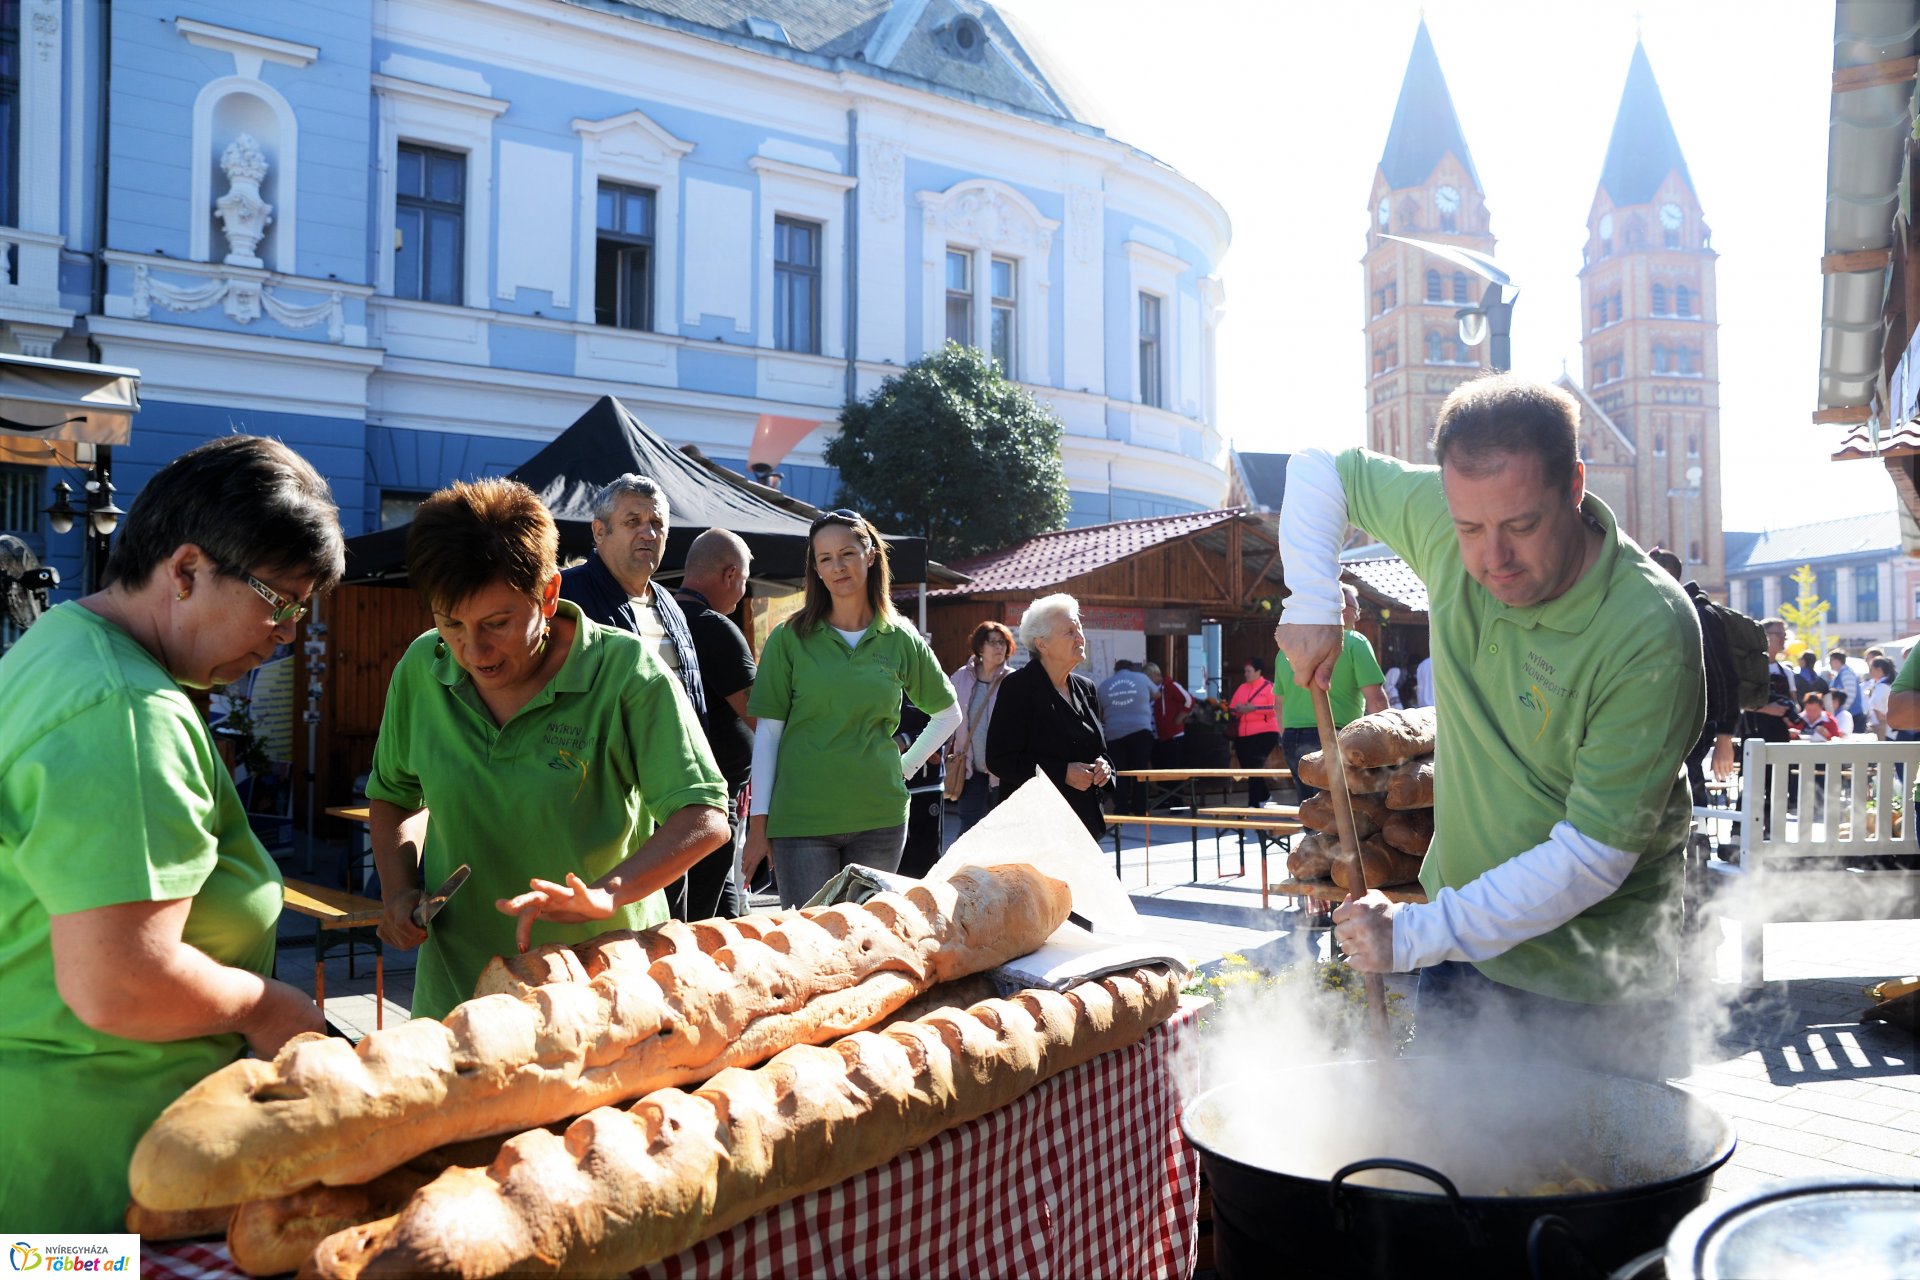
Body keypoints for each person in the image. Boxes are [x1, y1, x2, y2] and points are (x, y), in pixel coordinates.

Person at [1277, 374, 1703, 1075]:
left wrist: (1415, 935)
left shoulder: (1649, 631)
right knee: (1460, 1173)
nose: (1491, 559)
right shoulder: (1449, 522)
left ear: (1574, 487)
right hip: (1463, 955)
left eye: (1521, 525)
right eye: (1469, 528)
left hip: (1593, 987)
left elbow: (1593, 858)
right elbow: (1321, 467)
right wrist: (1312, 598)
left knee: (1588, 1178)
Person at [0, 436, 344, 1229]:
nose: (287, 632)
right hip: (85, 1199)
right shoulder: (127, 710)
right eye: (279, 601)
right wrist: (271, 1008)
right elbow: (119, 981)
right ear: (186, 571)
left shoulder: (67, 647)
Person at [367, 478, 731, 1021]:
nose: (473, 649)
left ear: (550, 594)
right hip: (458, 995)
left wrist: (608, 893)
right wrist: (398, 892)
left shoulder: (627, 673)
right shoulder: (423, 666)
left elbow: (704, 815)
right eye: (451, 624)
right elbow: (393, 794)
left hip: (601, 992)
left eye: (497, 623)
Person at [743, 510, 960, 907]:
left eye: (846, 553)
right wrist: (758, 827)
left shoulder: (900, 637)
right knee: (811, 947)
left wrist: (904, 767)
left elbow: (948, 713)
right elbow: (769, 735)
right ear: (816, 569)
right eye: (824, 558)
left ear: (871, 555)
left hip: (881, 819)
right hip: (800, 822)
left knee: (867, 945)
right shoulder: (789, 639)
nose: (837, 566)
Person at [558, 474, 711, 921]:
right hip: (597, 800)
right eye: (633, 521)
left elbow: (689, 701)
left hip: (670, 799)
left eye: (657, 524)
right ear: (599, 531)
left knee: (666, 929)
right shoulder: (565, 596)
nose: (648, 532)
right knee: (604, 933)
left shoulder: (668, 603)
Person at [672, 528, 758, 919]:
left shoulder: (662, 615)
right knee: (703, 920)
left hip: (678, 795)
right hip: (709, 800)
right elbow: (759, 714)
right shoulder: (716, 627)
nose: (742, 592)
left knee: (717, 911)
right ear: (728, 575)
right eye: (742, 580)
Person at [986, 593, 1115, 840]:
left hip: (1082, 828)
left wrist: (1106, 769)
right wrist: (1062, 772)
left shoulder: (1086, 688)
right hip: (1034, 832)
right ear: (1042, 644)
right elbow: (999, 760)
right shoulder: (1019, 687)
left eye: (1079, 629)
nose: (1080, 638)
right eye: (1069, 632)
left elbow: (1101, 751)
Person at [1271, 583, 1389, 803]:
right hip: (1338, 736)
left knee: (1313, 812)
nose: (1356, 613)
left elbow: (1278, 706)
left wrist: (1288, 737)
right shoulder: (1355, 642)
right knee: (1349, 815)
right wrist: (1387, 745)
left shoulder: (1287, 651)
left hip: (1292, 738)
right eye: (1354, 607)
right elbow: (1377, 700)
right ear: (1341, 608)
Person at [946, 621, 1015, 835]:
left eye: (1003, 642)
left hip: (1003, 770)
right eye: (993, 642)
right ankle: (964, 869)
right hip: (969, 769)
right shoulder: (960, 677)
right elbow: (947, 716)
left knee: (1002, 830)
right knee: (969, 829)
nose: (999, 647)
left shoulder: (1014, 680)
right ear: (979, 647)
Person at [1096, 658, 1157, 815]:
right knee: (1140, 772)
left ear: (1115, 670)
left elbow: (1100, 714)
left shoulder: (1104, 685)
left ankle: (1121, 808)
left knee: (1120, 772)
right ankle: (1140, 808)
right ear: (1131, 669)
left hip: (1114, 734)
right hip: (1140, 732)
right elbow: (1157, 695)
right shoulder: (1142, 678)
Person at [1225, 657, 1282, 806]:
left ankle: (1253, 803)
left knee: (1254, 765)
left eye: (1249, 671)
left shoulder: (1270, 687)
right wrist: (1237, 710)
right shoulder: (1242, 688)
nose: (1246, 674)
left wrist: (1254, 709)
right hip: (1243, 734)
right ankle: (1264, 795)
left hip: (1265, 732)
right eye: (1245, 671)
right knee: (1249, 767)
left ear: (1258, 671)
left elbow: (1276, 708)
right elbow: (1231, 708)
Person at [1144, 660, 1195, 770]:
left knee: (1172, 771)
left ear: (1156, 675)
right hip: (1156, 737)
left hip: (1173, 736)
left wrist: (1179, 718)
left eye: (1148, 678)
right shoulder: (1148, 691)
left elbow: (1189, 699)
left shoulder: (1170, 686)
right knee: (1159, 770)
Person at [1827, 649, 1863, 728]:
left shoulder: (1846, 674)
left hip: (1853, 716)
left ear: (1836, 661)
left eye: (1830, 660)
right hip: (1849, 715)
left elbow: (1850, 695)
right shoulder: (1842, 674)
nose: (1829, 663)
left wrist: (1841, 711)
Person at [1866, 656, 1897, 739]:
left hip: (1882, 727)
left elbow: (1877, 707)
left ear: (1879, 670)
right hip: (1886, 726)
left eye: (1871, 669)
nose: (1870, 672)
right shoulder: (1884, 685)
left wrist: (1881, 722)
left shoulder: (1882, 686)